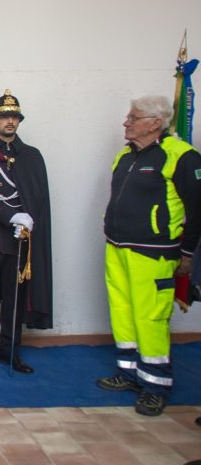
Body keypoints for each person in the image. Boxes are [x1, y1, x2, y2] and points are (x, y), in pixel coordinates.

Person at [99, 95, 201, 417]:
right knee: (123, 311)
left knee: (151, 318)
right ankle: (129, 372)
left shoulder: (181, 157)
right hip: (117, 248)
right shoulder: (124, 157)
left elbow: (197, 210)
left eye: (133, 117)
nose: (126, 122)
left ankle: (156, 385)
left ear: (155, 123)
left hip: (153, 254)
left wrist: (187, 253)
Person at [0, 90, 53, 375]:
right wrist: (10, 215)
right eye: (4, 117)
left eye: (14, 116)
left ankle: (10, 350)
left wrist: (26, 220)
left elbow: (37, 199)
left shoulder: (31, 156)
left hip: (19, 240)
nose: (9, 122)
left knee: (14, 301)